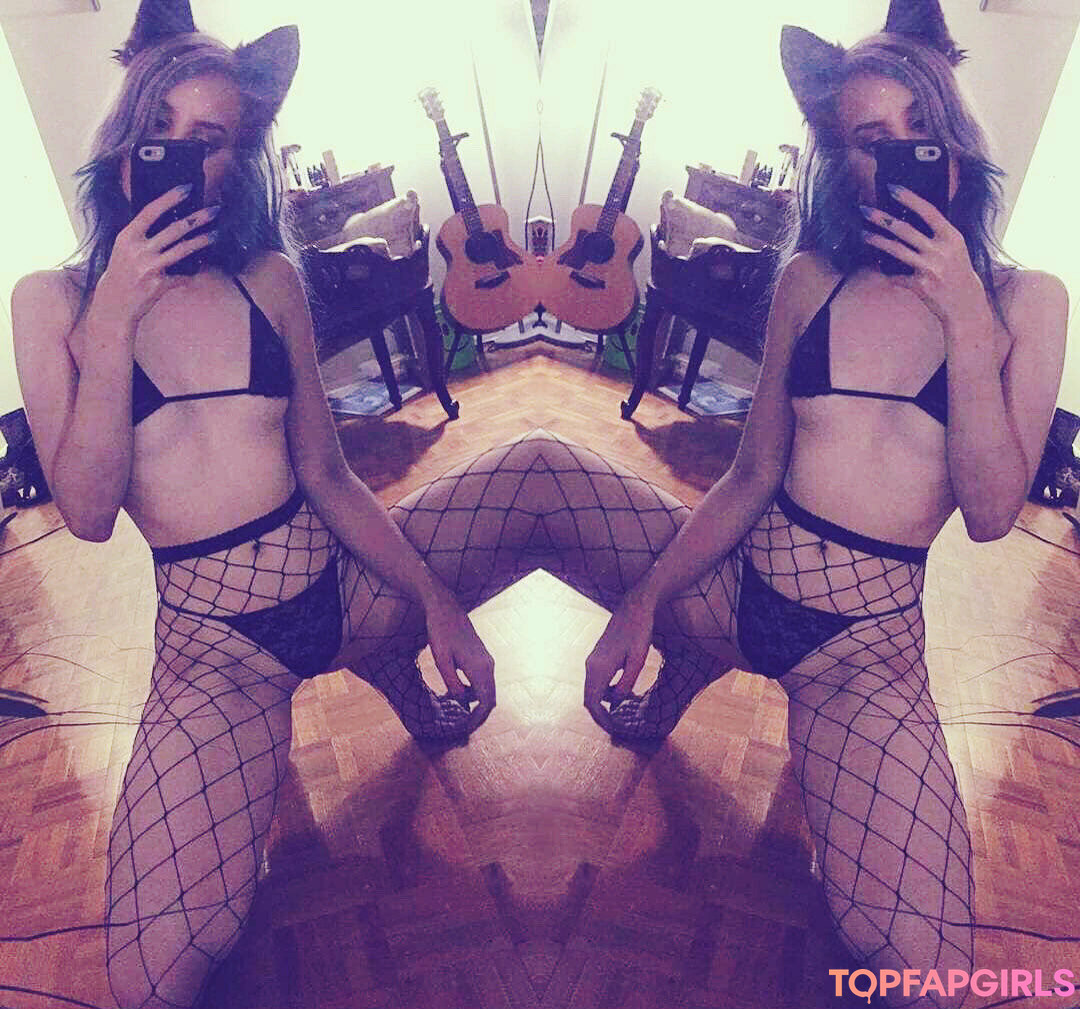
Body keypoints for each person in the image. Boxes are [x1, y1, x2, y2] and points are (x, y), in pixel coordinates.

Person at [9, 6, 509, 1006]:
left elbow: (329, 474)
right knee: (154, 974)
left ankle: (390, 653)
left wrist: (435, 601)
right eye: (160, 132)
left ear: (235, 165)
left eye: (211, 140)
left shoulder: (269, 280)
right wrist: (113, 323)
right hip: (216, 655)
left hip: (339, 585)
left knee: (533, 481)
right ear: (121, 143)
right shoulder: (50, 302)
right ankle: (367, 672)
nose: (178, 158)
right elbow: (90, 512)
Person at [570, 3, 1067, 1005]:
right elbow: (750, 475)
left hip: (863, 657)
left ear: (957, 142)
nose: (902, 158)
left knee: (926, 971)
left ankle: (703, 667)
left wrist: (967, 324)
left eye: (919, 131)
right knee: (545, 482)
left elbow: (991, 513)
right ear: (846, 166)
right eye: (869, 142)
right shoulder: (810, 279)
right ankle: (688, 654)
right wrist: (644, 602)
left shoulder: (1028, 302)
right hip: (740, 585)